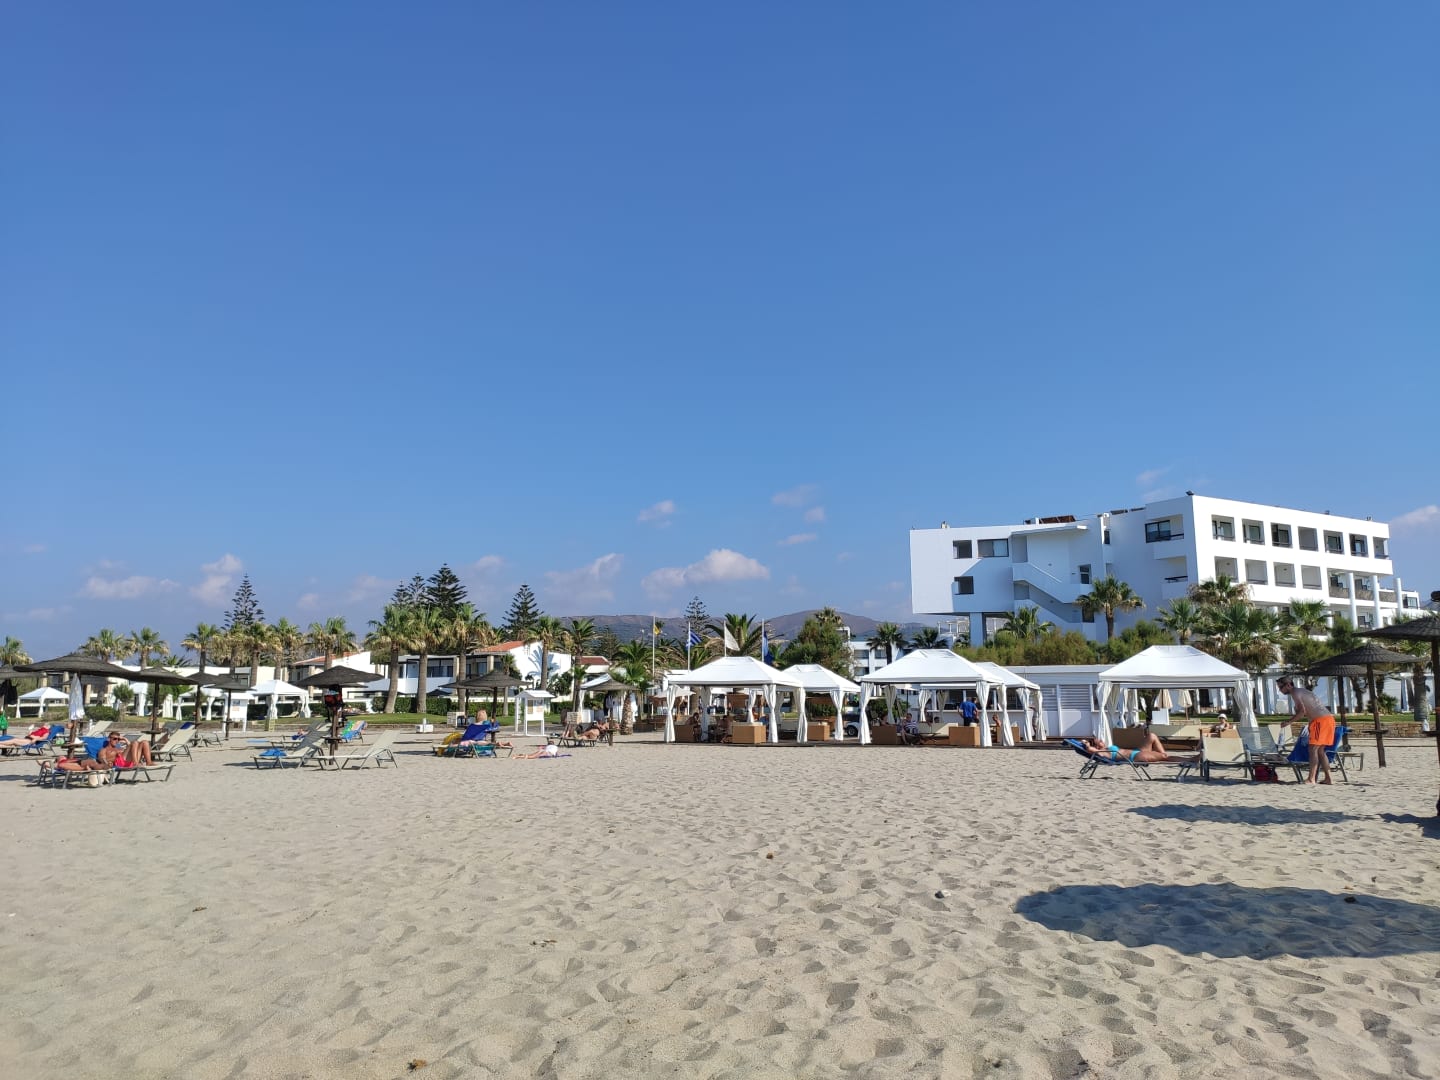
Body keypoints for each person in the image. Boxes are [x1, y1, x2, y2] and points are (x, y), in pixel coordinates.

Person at [1277, 676, 1334, 785]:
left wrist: (1288, 722)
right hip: (1327, 719)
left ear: (1288, 685)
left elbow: (1301, 712)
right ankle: (1328, 778)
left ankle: (1311, 779)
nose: (1280, 690)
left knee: (1313, 749)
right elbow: (1307, 709)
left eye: (1281, 687)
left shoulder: (1295, 693)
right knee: (1320, 751)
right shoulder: (1301, 691)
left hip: (1320, 721)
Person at [1079, 733, 1195, 764]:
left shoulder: (1106, 748)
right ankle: (1190, 760)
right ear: (1096, 745)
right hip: (1136, 757)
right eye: (1099, 741)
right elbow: (1089, 749)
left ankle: (1164, 756)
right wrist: (1086, 743)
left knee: (1151, 736)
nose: (1102, 740)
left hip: (1137, 751)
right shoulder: (1101, 752)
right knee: (1164, 757)